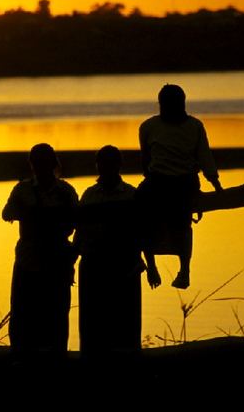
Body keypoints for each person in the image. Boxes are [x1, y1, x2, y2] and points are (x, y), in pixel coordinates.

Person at [73, 145, 159, 357]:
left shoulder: (131, 195)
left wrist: (152, 266)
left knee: (126, 326)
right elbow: (80, 232)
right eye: (103, 164)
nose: (106, 168)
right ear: (98, 166)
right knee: (92, 326)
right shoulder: (90, 195)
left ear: (118, 166)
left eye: (111, 164)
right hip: (93, 268)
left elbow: (143, 233)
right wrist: (70, 265)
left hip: (125, 268)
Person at [137, 84, 223, 289]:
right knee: (141, 217)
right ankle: (151, 265)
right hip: (160, 181)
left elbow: (204, 157)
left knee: (181, 225)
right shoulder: (149, 126)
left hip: (184, 182)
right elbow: (146, 159)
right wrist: (216, 185)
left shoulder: (193, 126)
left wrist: (216, 184)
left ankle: (184, 271)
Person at [2, 143, 79, 359]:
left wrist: (71, 255)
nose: (39, 167)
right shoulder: (23, 189)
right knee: (23, 312)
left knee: (55, 313)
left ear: (52, 164)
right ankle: (23, 357)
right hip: (30, 257)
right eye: (37, 163)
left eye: (42, 163)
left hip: (56, 258)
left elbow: (79, 222)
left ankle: (53, 357)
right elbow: (6, 214)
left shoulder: (64, 191)